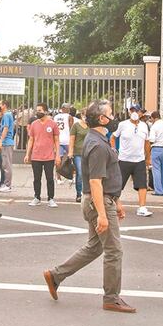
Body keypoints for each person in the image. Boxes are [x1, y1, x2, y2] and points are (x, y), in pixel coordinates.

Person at [43, 99, 135, 313]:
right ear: (102, 119)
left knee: (95, 246)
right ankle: (111, 298)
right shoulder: (96, 144)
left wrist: (117, 202)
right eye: (111, 114)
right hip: (99, 202)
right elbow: (95, 182)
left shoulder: (100, 141)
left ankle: (56, 275)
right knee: (114, 251)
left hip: (104, 200)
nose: (115, 117)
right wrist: (102, 214)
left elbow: (110, 176)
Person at [112, 106, 152, 217]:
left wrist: (148, 158)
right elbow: (113, 137)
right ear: (130, 112)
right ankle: (113, 204)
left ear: (141, 113)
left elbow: (147, 143)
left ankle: (142, 207)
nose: (135, 113)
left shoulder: (144, 126)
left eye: (137, 111)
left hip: (139, 160)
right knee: (118, 184)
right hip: (124, 159)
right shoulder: (123, 125)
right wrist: (114, 151)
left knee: (142, 184)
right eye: (132, 111)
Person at [25, 103, 60, 207]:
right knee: (37, 178)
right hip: (36, 156)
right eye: (37, 110)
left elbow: (57, 141)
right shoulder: (34, 124)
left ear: (45, 111)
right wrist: (27, 154)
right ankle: (37, 197)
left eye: (40, 110)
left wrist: (57, 155)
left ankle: (51, 198)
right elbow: (31, 139)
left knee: (50, 178)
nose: (38, 112)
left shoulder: (52, 124)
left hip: (49, 156)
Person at [148, 110, 163, 198]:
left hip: (156, 149)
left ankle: (158, 190)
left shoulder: (154, 127)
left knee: (156, 170)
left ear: (154, 118)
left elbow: (152, 140)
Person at [0, 99, 15, 192]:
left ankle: (8, 185)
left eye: (0, 104)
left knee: (6, 165)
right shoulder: (7, 115)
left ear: (4, 105)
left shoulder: (7, 115)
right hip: (6, 142)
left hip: (7, 142)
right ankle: (6, 184)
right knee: (5, 164)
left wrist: (0, 142)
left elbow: (5, 129)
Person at [70, 107, 88, 203]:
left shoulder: (92, 126)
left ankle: (87, 193)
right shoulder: (76, 126)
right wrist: (70, 152)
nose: (86, 117)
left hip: (90, 153)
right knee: (80, 173)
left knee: (88, 174)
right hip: (78, 153)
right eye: (84, 115)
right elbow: (72, 139)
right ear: (81, 115)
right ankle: (79, 194)